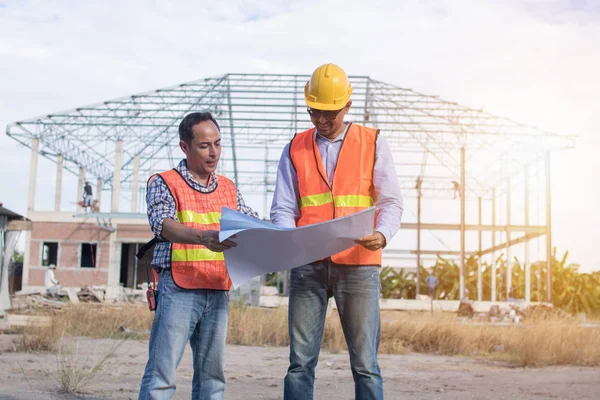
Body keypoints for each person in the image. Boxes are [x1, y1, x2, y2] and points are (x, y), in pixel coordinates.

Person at [271, 64, 403, 400]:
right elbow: (284, 207)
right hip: (308, 265)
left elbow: (391, 202)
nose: (322, 120)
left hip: (359, 265)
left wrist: (383, 234)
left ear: (347, 106)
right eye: (315, 112)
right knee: (300, 363)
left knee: (365, 364)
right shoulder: (294, 148)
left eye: (330, 113)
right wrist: (287, 237)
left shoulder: (372, 143)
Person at [138, 112, 259, 399]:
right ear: (185, 146)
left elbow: (251, 223)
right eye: (205, 145)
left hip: (217, 290)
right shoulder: (164, 181)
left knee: (212, 380)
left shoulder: (228, 188)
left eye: (218, 144)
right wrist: (204, 237)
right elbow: (163, 223)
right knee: (161, 376)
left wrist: (284, 236)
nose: (214, 152)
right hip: (178, 289)